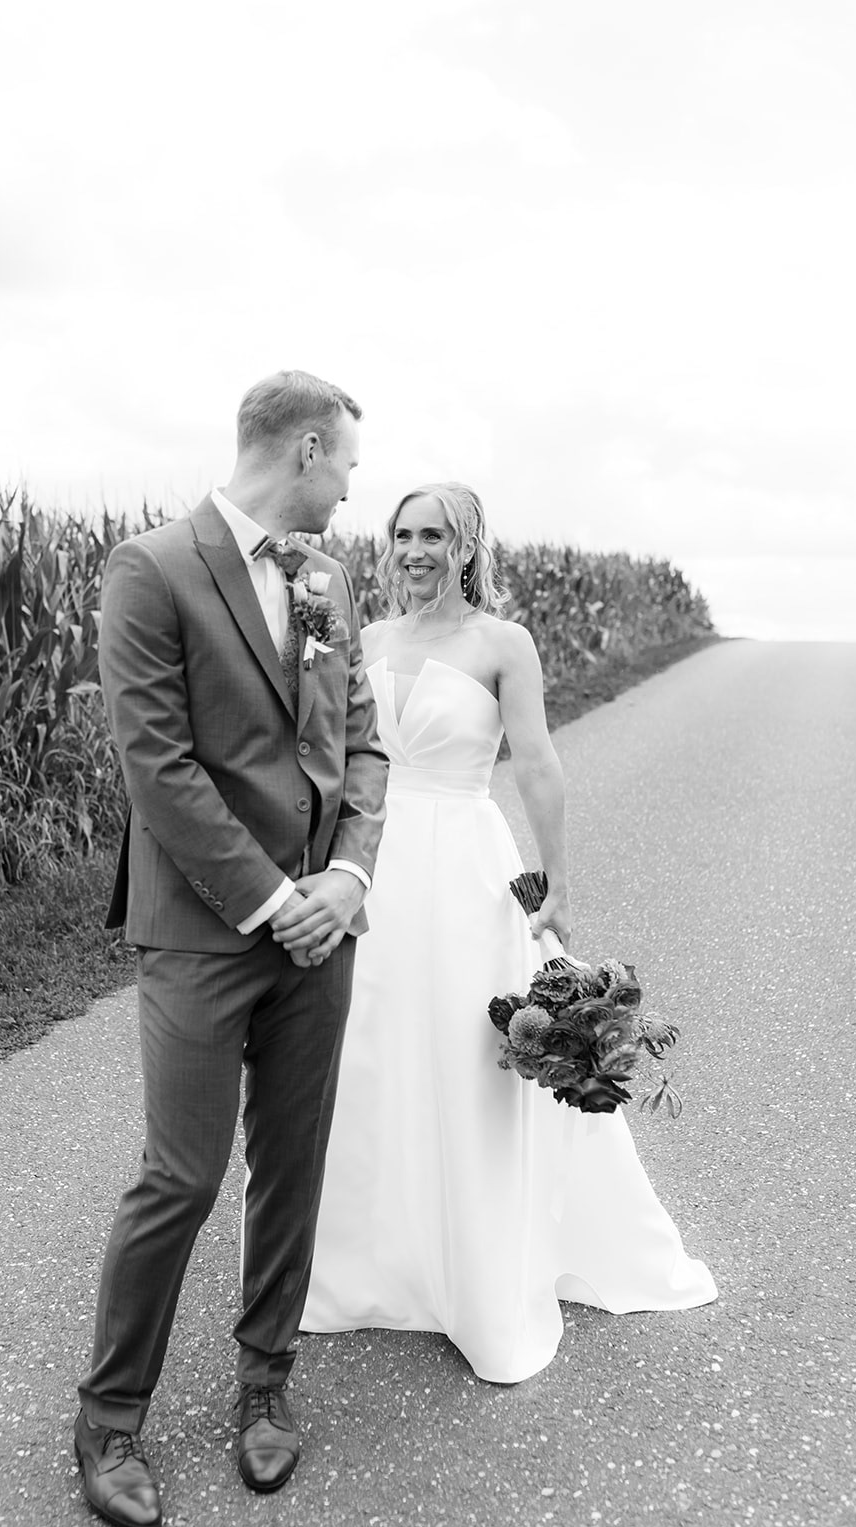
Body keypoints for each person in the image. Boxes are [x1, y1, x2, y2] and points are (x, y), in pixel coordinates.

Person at [300, 482, 716, 1383]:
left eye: (433, 535)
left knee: (463, 1054)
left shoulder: (502, 644)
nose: (414, 550)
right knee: (367, 1049)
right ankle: (370, 1260)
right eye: (402, 534)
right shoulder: (366, 640)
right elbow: (332, 762)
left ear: (465, 546)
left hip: (463, 863)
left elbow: (536, 763)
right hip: (370, 862)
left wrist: (557, 881)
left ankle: (479, 1266)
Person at [74, 370, 388, 1527]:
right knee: (183, 1173)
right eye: (345, 461)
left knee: (291, 1161)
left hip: (321, 924)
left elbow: (362, 744)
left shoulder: (326, 578)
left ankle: (265, 1382)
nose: (348, 486)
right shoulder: (150, 568)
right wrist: (270, 899)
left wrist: (346, 877)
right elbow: (155, 765)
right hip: (206, 929)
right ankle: (109, 1417)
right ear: (304, 448)